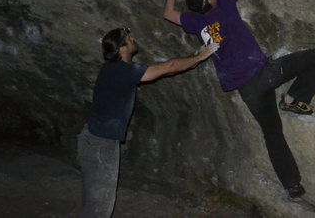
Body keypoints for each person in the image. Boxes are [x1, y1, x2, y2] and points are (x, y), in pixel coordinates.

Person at [163, 0, 315, 201]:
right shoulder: (224, 7)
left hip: (246, 90)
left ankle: (292, 186)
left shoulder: (196, 22)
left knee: (272, 133)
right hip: (263, 75)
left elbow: (167, 13)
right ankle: (294, 99)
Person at [78, 26, 218, 218]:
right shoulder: (122, 71)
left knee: (93, 203)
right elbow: (168, 67)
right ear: (122, 48)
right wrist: (199, 57)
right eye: (128, 37)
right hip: (101, 146)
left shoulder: (114, 69)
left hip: (91, 140)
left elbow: (165, 71)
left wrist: (192, 60)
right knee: (100, 208)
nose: (133, 38)